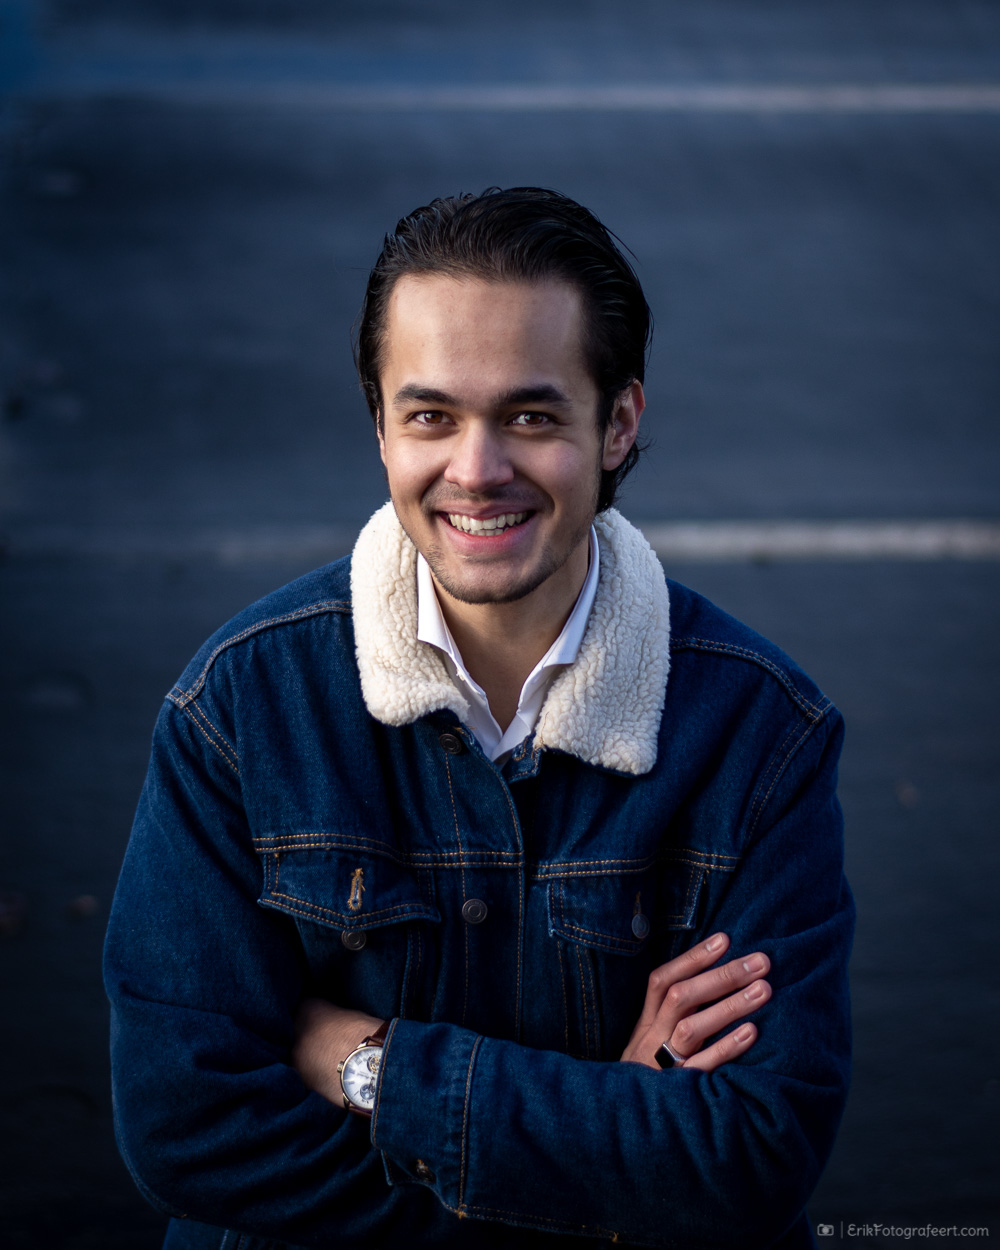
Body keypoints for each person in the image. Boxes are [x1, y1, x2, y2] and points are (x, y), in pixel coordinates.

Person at [104, 187, 854, 1250]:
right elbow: (185, 1127)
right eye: (431, 416)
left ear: (619, 424)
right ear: (379, 426)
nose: (476, 470)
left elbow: (750, 1155)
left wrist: (369, 1066)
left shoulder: (761, 732)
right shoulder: (239, 706)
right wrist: (601, 1156)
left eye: (531, 417)